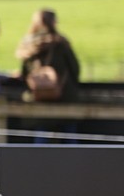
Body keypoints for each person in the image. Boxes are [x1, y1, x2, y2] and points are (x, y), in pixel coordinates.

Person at [15, 8, 81, 141]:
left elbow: (24, 74)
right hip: (64, 96)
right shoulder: (61, 43)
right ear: (54, 22)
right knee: (70, 134)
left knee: (41, 133)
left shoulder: (28, 44)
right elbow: (75, 69)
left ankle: (38, 160)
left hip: (38, 97)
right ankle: (74, 160)